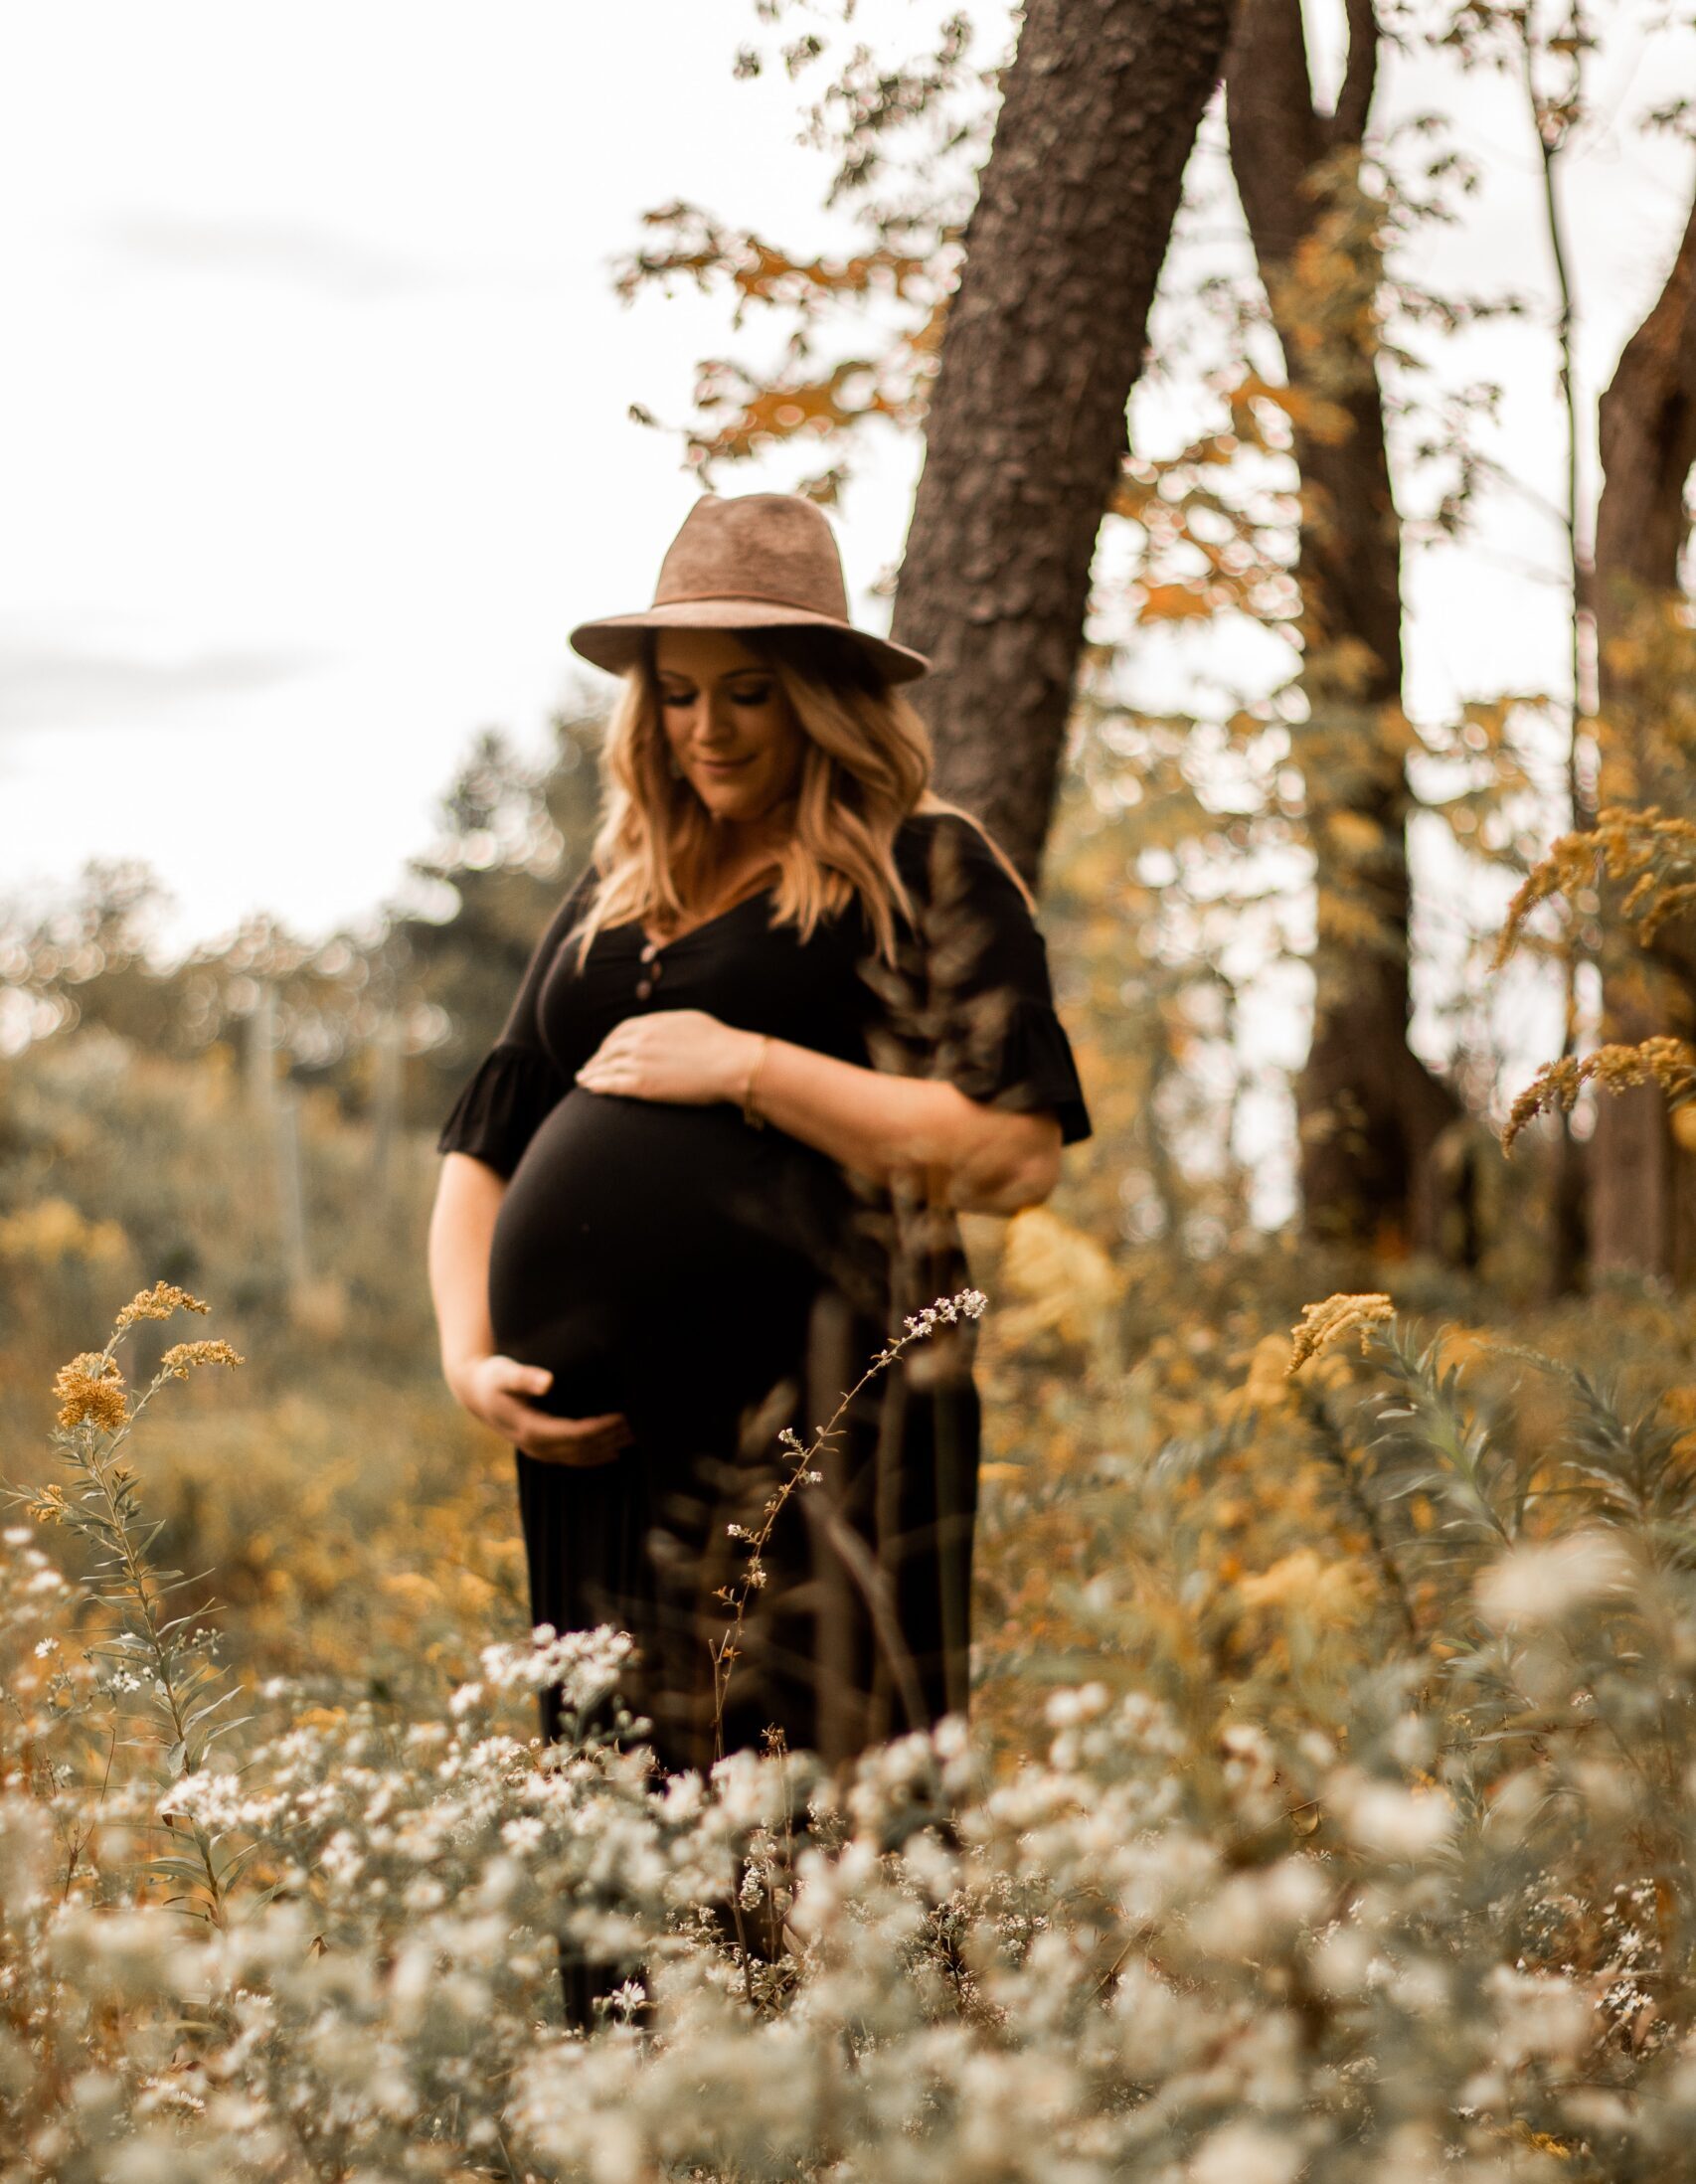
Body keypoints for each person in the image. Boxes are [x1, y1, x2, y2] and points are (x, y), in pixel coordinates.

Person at [426, 491, 1092, 1787]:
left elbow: (1014, 1151)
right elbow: (490, 1133)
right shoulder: (617, 890)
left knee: (814, 1799)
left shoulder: (920, 868)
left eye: (747, 693)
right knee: (618, 1817)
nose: (705, 729)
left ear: (821, 696)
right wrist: (467, 1354)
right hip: (597, 1450)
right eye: (677, 693)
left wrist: (746, 1065)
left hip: (816, 1425)